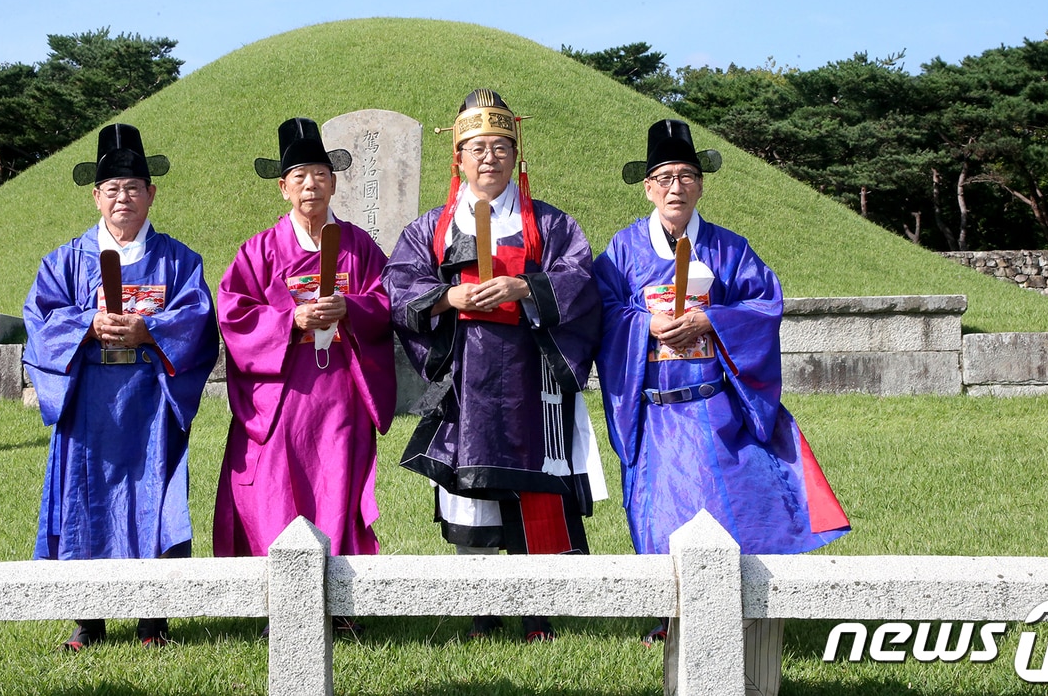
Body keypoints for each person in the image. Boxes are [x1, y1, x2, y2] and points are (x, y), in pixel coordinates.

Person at [594, 118, 849, 644]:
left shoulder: (730, 249)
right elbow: (601, 311)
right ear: (648, 187)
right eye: (664, 177)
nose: (676, 187)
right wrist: (645, 323)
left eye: (686, 176)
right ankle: (667, 618)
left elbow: (765, 304)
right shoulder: (621, 253)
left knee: (726, 506)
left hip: (714, 408)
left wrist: (714, 320)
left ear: (700, 185)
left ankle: (740, 611)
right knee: (661, 513)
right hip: (656, 411)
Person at [383, 89, 604, 643]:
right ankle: (482, 611)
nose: (489, 158)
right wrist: (447, 300)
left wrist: (524, 285)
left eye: (501, 146)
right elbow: (398, 287)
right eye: (477, 147)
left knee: (538, 485)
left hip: (532, 378)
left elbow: (581, 282)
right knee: (470, 487)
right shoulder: (429, 229)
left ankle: (538, 614)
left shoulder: (551, 227)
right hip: (467, 379)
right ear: (457, 157)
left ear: (516, 153)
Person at [23, 123, 219, 651]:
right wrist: (87, 325)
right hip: (89, 405)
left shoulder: (179, 261)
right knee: (84, 502)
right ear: (96, 197)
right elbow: (40, 323)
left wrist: (148, 328)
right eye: (112, 189)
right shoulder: (64, 261)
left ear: (152, 194)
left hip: (150, 405)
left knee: (153, 502)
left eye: (133, 187)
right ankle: (89, 620)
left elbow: (199, 323)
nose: (122, 198)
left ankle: (153, 620)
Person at [213, 118, 396, 601]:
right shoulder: (259, 251)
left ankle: (338, 603)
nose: (310, 185)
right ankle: (277, 601)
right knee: (275, 492)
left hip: (340, 396)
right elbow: (233, 313)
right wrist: (289, 321)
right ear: (282, 188)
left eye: (319, 174)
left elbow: (385, 301)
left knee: (337, 488)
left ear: (334, 183)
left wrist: (350, 308)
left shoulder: (358, 246)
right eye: (299, 177)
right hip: (283, 395)